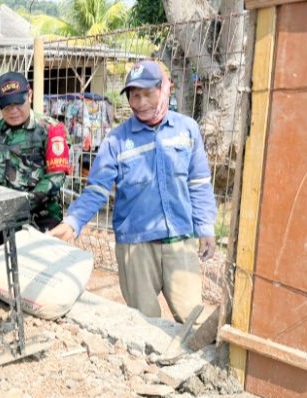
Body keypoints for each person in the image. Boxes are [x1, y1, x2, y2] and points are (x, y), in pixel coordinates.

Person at [49, 60, 217, 323]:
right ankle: (150, 366)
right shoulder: (116, 140)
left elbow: (199, 183)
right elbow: (97, 188)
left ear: (164, 89)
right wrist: (74, 221)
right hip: (135, 246)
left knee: (192, 319)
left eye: (148, 93)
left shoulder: (187, 130)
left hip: (180, 239)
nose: (140, 102)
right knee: (144, 323)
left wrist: (205, 226)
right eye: (134, 95)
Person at [0, 72, 68, 243]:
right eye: (7, 106)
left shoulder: (50, 129)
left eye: (18, 103)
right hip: (6, 220)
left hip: (45, 220)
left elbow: (56, 176)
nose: (13, 111)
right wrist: (2, 201)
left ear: (29, 95)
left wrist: (24, 203)